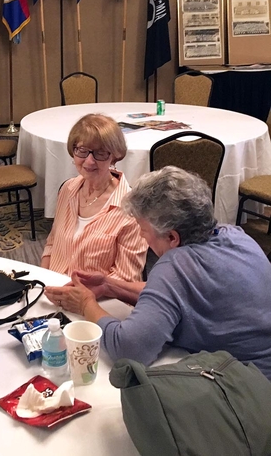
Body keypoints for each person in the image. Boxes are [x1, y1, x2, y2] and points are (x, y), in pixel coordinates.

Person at [44, 166, 271, 379]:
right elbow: (169, 295)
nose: (142, 237)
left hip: (248, 388)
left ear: (172, 237)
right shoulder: (236, 235)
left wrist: (86, 304)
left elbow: (130, 349)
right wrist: (110, 285)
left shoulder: (175, 265)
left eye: (143, 230)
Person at [41, 113, 147, 281]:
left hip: (97, 301)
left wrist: (80, 298)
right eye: (82, 151)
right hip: (54, 292)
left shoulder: (131, 210)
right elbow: (52, 244)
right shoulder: (68, 189)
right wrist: (43, 281)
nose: (89, 161)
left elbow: (126, 278)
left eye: (100, 153)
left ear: (114, 155)